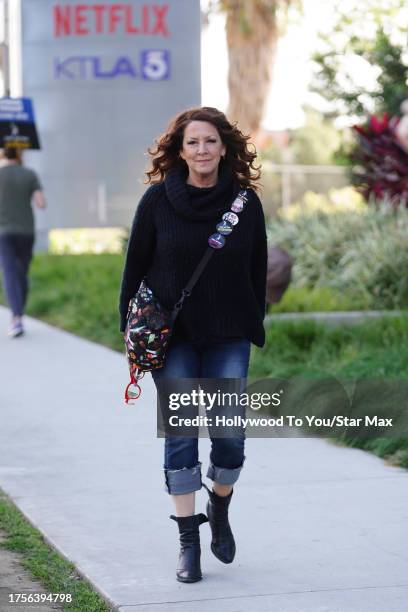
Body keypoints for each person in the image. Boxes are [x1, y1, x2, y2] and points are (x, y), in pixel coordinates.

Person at [119, 107, 267, 583]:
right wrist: (132, 333)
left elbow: (256, 272)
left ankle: (219, 507)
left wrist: (253, 322)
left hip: (228, 336)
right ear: (178, 152)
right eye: (192, 143)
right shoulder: (157, 201)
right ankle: (188, 541)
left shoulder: (245, 204)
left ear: (225, 147)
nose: (201, 150)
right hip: (174, 340)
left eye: (209, 142)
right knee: (182, 437)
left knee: (230, 439)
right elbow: (134, 269)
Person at [0, 147, 46, 337]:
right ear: (20, 154)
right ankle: (20, 312)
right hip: (26, 231)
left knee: (10, 272)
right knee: (22, 272)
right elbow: (41, 203)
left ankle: (16, 318)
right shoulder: (30, 174)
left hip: (3, 232)